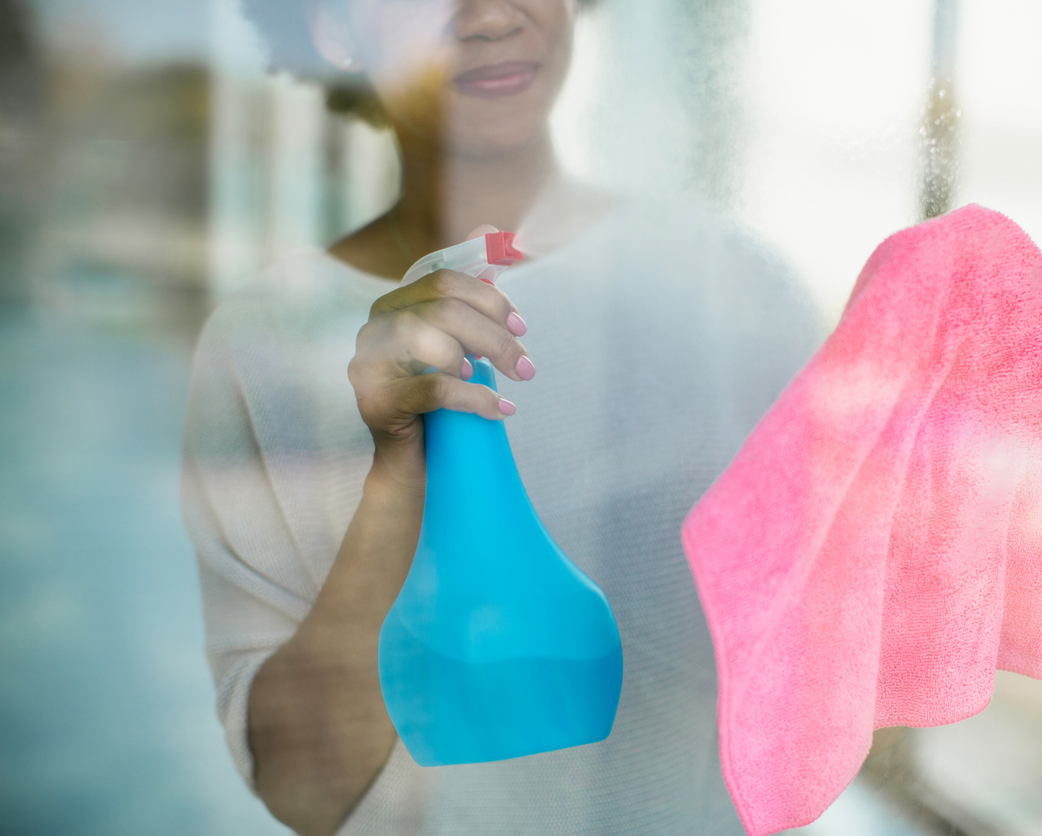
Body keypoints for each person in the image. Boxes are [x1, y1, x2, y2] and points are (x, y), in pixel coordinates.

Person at [182, 1, 820, 834]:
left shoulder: (737, 292)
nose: (485, 15)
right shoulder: (263, 342)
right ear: (333, 24)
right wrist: (397, 468)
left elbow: (818, 699)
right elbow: (306, 792)